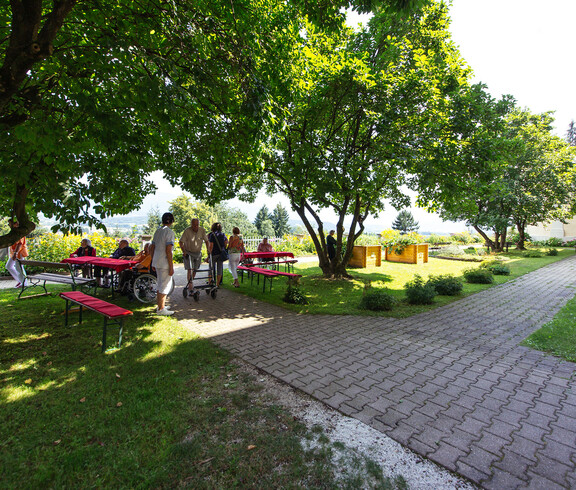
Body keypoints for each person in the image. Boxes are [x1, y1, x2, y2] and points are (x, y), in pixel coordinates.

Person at [150, 212, 176, 315]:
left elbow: (152, 247)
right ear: (172, 221)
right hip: (164, 262)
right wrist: (171, 266)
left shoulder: (158, 231)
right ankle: (161, 309)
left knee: (160, 284)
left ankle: (160, 306)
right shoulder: (169, 233)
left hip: (157, 261)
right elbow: (168, 250)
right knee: (165, 285)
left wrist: (153, 261)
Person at [179, 218, 209, 291]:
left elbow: (207, 241)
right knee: (189, 269)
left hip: (197, 253)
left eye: (197, 225)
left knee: (195, 269)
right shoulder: (187, 231)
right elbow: (181, 242)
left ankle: (191, 281)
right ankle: (190, 285)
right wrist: (184, 251)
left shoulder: (202, 230)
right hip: (188, 252)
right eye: (194, 225)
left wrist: (208, 250)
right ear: (191, 225)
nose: (195, 226)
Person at [6, 219, 28, 288]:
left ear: (15, 224)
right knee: (9, 266)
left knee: (19, 267)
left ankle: (24, 283)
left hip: (19, 252)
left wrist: (15, 253)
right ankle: (20, 280)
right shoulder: (14, 232)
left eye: (10, 223)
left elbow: (20, 244)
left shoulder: (19, 232)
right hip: (14, 252)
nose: (9, 225)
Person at [208, 222, 228, 287]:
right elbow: (226, 242)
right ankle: (217, 284)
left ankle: (210, 282)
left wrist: (209, 254)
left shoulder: (212, 235)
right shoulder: (223, 234)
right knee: (219, 269)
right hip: (220, 254)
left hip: (214, 254)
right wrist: (223, 248)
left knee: (211, 268)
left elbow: (211, 245)